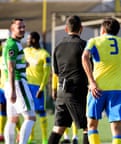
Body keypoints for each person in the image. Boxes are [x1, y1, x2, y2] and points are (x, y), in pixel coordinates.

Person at [82, 17, 121, 144]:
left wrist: (91, 82)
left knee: (91, 125)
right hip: (117, 89)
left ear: (102, 29)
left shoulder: (94, 41)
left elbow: (85, 57)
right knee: (117, 128)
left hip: (97, 88)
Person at [48, 15, 89, 144]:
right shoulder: (84, 45)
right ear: (81, 28)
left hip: (61, 89)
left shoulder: (58, 46)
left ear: (66, 29)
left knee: (59, 127)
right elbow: (90, 67)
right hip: (77, 90)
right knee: (87, 127)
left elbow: (55, 71)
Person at [2, 18, 36, 144]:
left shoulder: (12, 43)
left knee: (12, 119)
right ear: (12, 29)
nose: (22, 29)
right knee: (30, 117)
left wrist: (23, 64)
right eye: (19, 27)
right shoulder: (12, 44)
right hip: (17, 83)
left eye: (23, 27)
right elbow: (11, 67)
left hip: (10, 84)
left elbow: (12, 64)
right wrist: (13, 90)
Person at [24, 31, 51, 144]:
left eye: (29, 39)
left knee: (41, 111)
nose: (27, 40)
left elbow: (47, 73)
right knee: (29, 112)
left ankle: (45, 138)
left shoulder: (44, 54)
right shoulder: (25, 51)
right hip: (25, 86)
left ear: (34, 40)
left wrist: (41, 88)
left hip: (37, 87)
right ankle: (31, 137)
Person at [51, 73, 83, 144]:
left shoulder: (56, 62)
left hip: (62, 88)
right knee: (73, 115)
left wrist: (54, 88)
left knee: (62, 117)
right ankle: (74, 137)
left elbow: (55, 73)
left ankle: (67, 137)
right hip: (73, 86)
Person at [0, 40, 6, 142]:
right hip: (1, 87)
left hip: (8, 87)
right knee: (2, 109)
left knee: (11, 112)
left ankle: (19, 133)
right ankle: (1, 134)